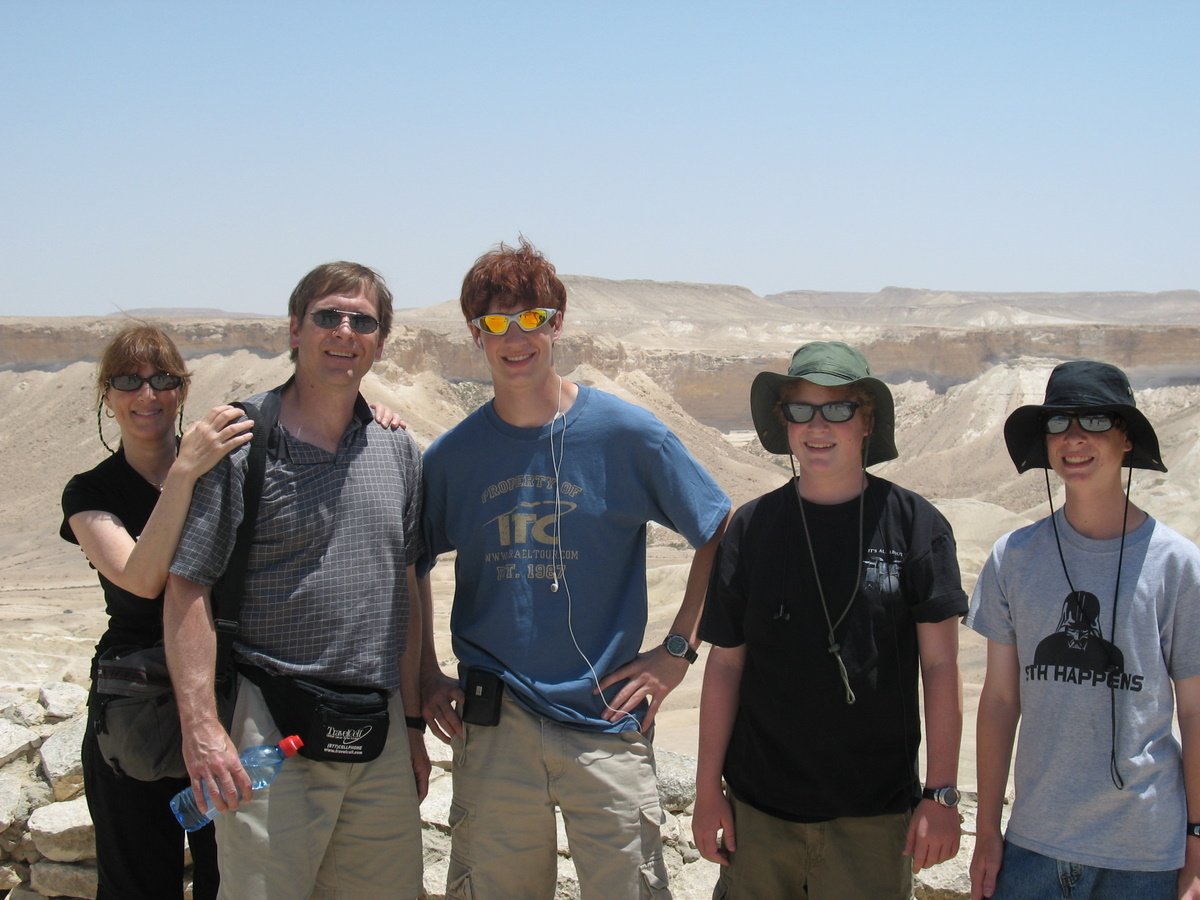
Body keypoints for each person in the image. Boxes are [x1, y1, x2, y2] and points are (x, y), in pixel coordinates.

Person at [418, 238, 731, 899]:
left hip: (606, 723)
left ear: (556, 323)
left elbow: (719, 530)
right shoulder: (454, 456)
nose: (515, 338)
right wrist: (422, 671)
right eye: (495, 323)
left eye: (531, 318)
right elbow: (409, 561)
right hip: (495, 728)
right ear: (475, 335)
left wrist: (678, 650)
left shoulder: (627, 435)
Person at [163, 262, 428, 899]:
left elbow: (407, 589)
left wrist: (414, 724)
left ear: (380, 342)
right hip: (270, 729)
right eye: (328, 316)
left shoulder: (397, 450)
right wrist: (201, 727)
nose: (345, 331)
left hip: (377, 730)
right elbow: (188, 587)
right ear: (294, 330)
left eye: (363, 321)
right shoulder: (243, 443)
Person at [694, 341, 966, 899]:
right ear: (785, 422)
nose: (818, 427)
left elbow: (940, 667)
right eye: (802, 409)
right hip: (759, 815)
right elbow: (725, 666)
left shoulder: (915, 526)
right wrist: (705, 791)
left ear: (867, 421)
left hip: (874, 819)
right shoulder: (752, 528)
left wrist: (940, 795)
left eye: (839, 409)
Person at [966, 360, 1200, 900]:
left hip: (1144, 854)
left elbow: (1193, 711)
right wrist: (987, 832)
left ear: (1126, 439)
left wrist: (1197, 840)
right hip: (1033, 847)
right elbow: (1000, 701)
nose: (1073, 438)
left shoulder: (1176, 565)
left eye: (1094, 421)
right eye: (1058, 423)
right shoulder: (1014, 557)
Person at [61, 324, 254, 899]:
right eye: (128, 381)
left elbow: (312, 420)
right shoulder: (90, 492)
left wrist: (377, 415)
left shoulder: (225, 466)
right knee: (136, 884)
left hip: (224, 698)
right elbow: (143, 580)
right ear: (106, 395)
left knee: (234, 879)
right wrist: (184, 472)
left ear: (182, 389)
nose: (147, 395)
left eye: (162, 380)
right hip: (134, 709)